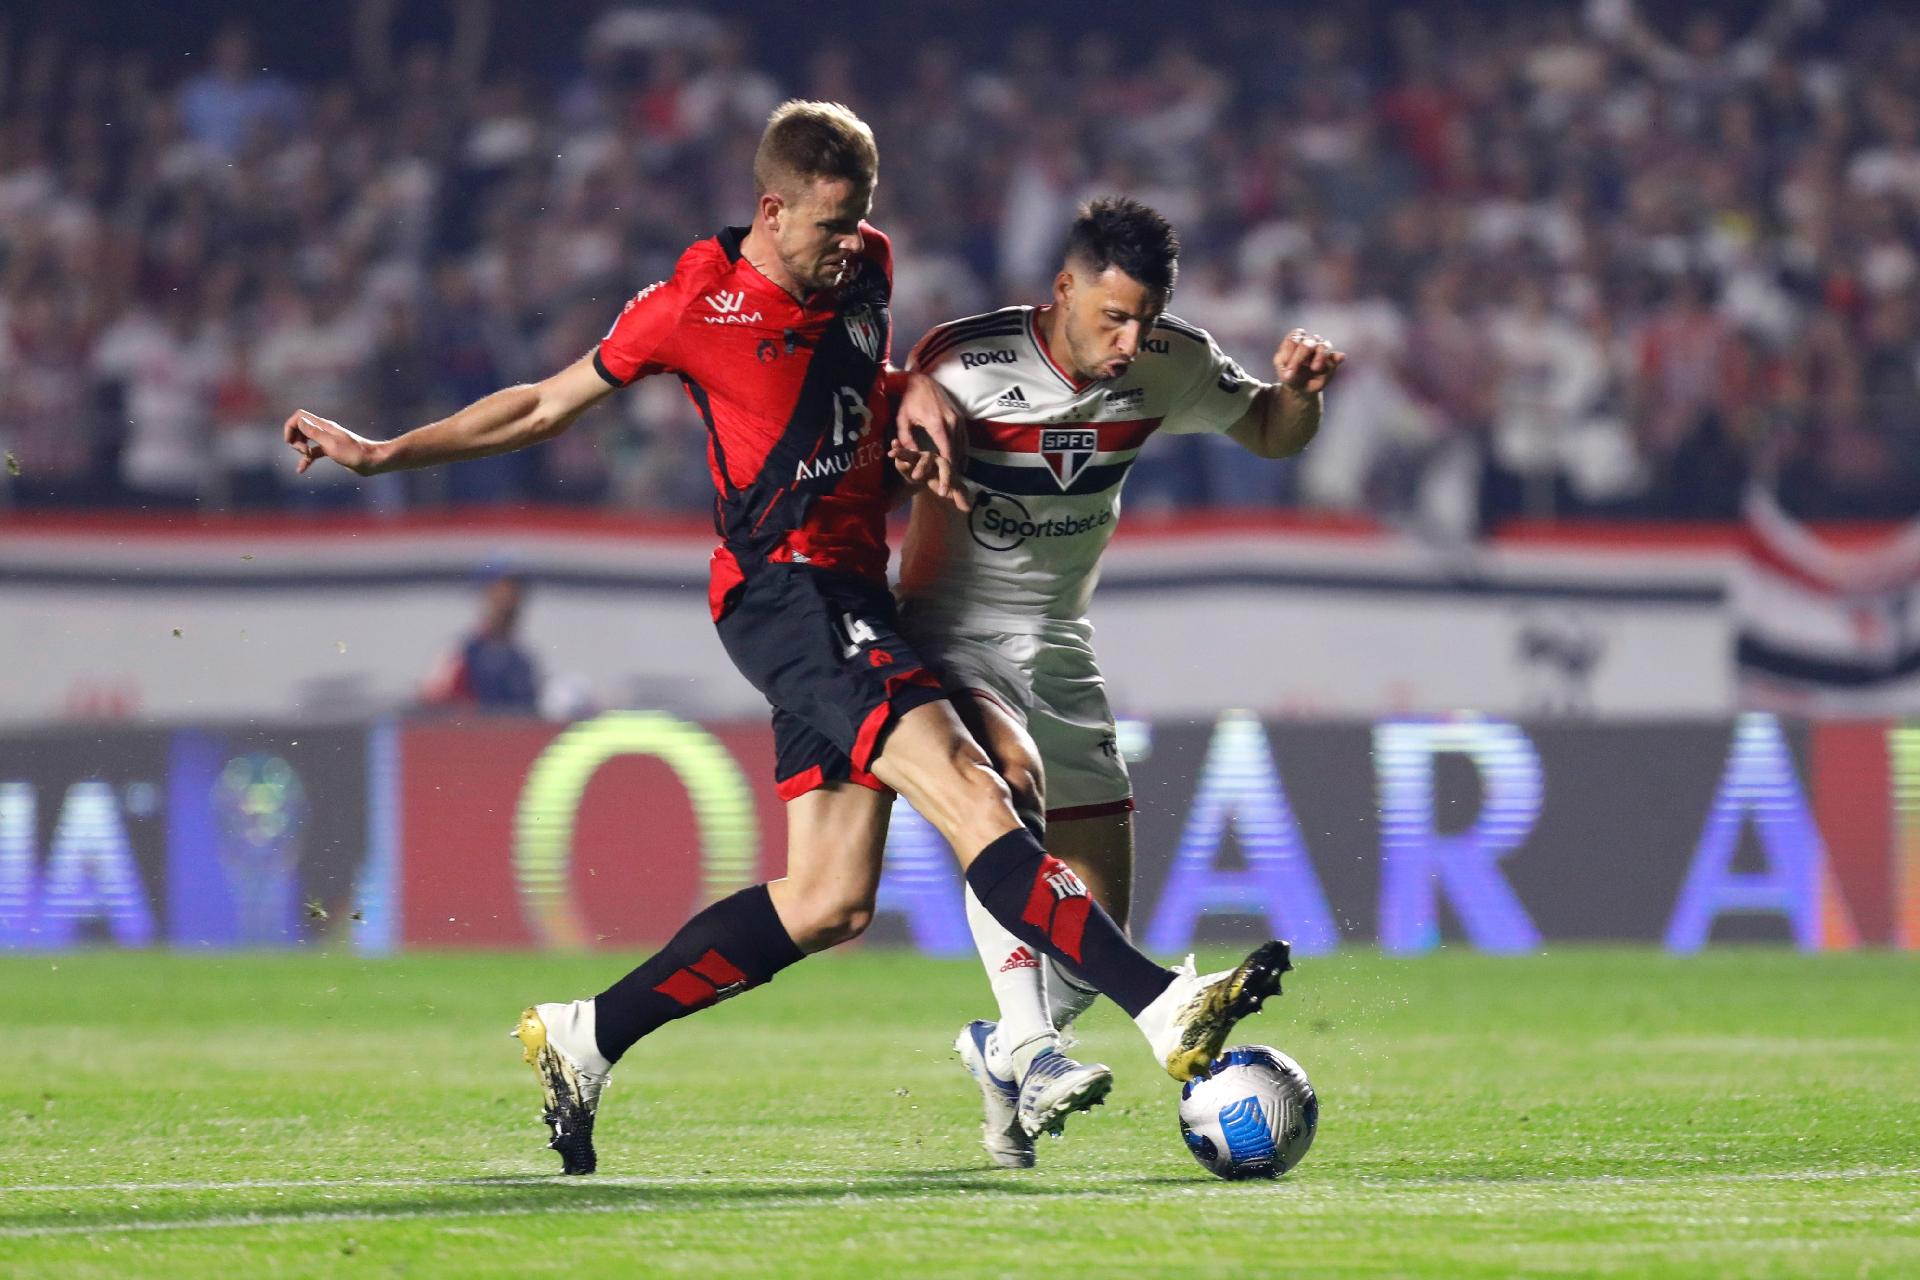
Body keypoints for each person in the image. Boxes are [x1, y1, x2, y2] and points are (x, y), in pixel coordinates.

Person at [282, 103, 1289, 1176]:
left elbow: (860, 386)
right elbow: (541, 404)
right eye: (830, 224)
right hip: (785, 592)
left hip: (851, 589)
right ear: (772, 208)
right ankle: (1144, 1009)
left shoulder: (867, 268)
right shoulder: (689, 307)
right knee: (973, 780)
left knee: (828, 898)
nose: (852, 243)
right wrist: (382, 454)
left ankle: (583, 1036)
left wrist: (911, 403)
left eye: (861, 221)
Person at [897, 196, 1343, 1167]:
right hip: (950, 632)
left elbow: (1271, 431)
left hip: (1060, 644)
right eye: (1112, 316)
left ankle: (997, 1050)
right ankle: (1029, 1042)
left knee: (1094, 926)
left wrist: (1300, 390)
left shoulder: (1172, 362)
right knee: (1003, 792)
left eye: (1146, 317)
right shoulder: (963, 361)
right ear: (1063, 288)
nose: (1130, 339)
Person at [419, 569, 541, 712]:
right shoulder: (459, 653)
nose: (509, 603)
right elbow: (432, 703)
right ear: (486, 595)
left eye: (516, 593)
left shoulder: (523, 661)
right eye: (502, 592)